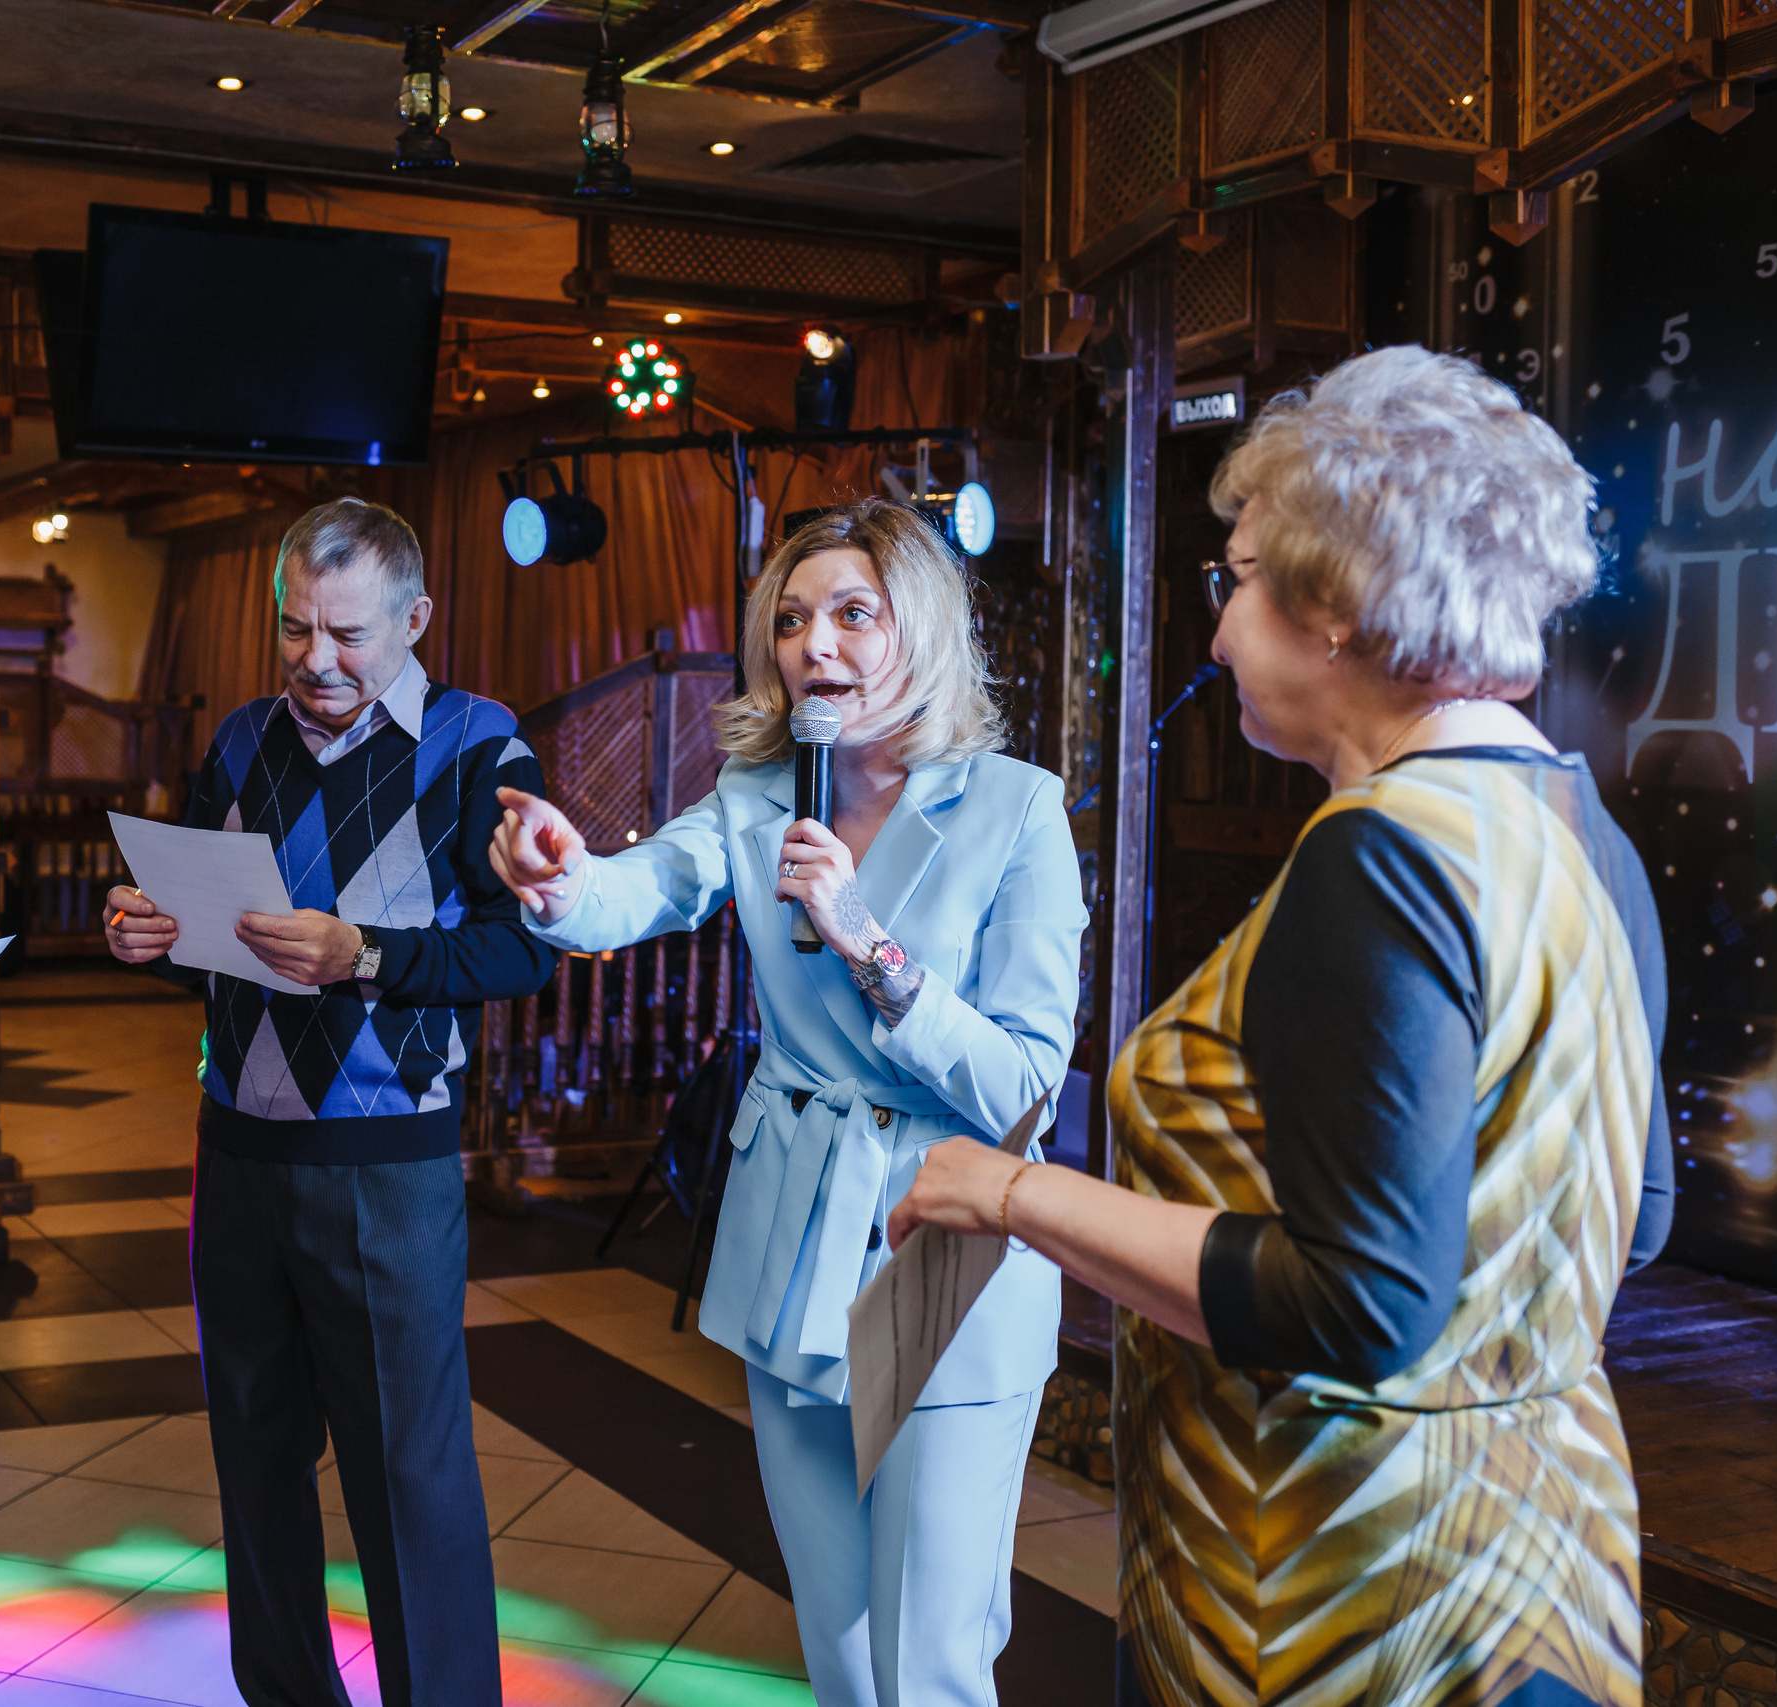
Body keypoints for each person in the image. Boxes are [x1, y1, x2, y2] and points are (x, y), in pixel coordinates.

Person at [888, 346, 1677, 1707]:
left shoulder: (1375, 855)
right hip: (1551, 1569)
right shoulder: (1577, 825)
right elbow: (1636, 1212)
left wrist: (1013, 1191)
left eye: (1238, 578)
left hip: (1335, 1593)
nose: (1214, 633)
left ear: (1340, 602)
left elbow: (1360, 1299)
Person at [490, 499, 1087, 1707]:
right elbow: (642, 887)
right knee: (839, 1644)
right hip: (794, 1236)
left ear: (919, 628)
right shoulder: (757, 791)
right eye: (792, 619)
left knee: (928, 1657)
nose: (816, 644)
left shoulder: (1016, 808)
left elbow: (1023, 1082)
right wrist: (559, 877)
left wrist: (866, 941)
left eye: (854, 614)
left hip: (946, 1244)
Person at [103, 498, 554, 1707]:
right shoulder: (241, 738)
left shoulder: (480, 745)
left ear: (414, 619)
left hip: (387, 1167)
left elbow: (524, 953)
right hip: (235, 1155)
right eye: (296, 628)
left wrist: (365, 954)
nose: (318, 660)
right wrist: (147, 932)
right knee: (254, 1463)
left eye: (349, 634)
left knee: (409, 1479)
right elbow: (208, 934)